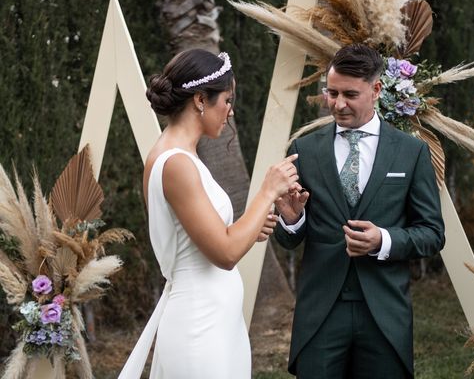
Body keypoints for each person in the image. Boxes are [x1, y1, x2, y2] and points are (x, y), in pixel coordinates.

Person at [119, 49, 300, 379]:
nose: (230, 112)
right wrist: (267, 190)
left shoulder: (181, 156)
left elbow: (207, 237)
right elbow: (226, 253)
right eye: (227, 101)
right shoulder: (176, 163)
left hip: (217, 322)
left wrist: (250, 224)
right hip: (199, 328)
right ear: (201, 99)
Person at [275, 43, 445, 379]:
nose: (337, 104)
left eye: (350, 94)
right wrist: (292, 219)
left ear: (376, 90)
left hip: (383, 312)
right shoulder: (303, 151)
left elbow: (432, 233)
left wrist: (382, 240)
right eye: (332, 92)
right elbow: (287, 238)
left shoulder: (411, 153)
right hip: (320, 312)